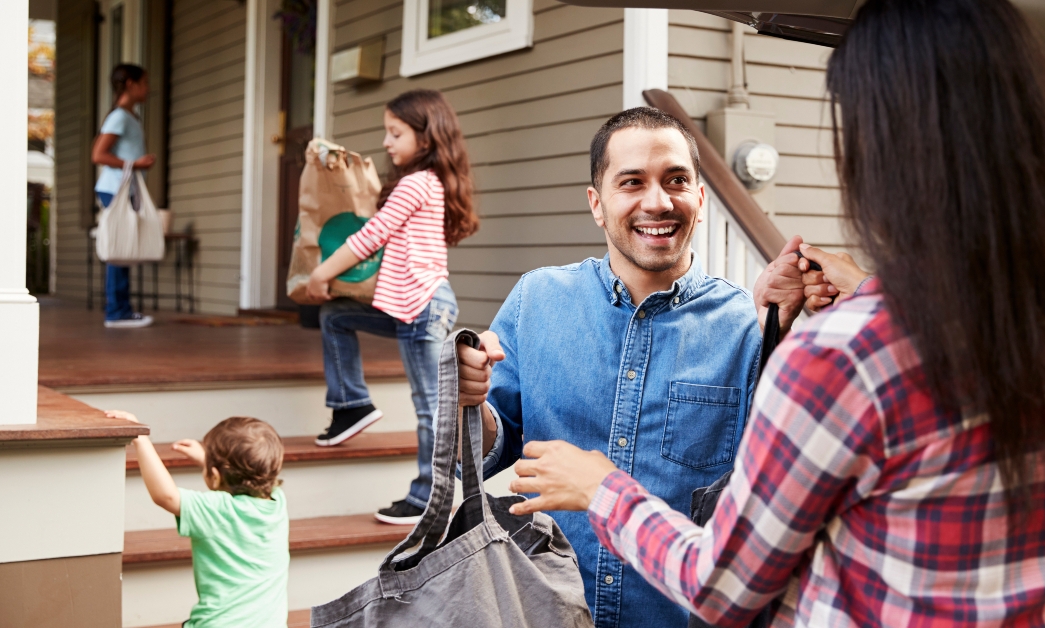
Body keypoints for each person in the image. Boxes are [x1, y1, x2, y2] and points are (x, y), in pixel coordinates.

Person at [505, 0, 1045, 626]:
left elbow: (723, 587)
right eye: (631, 182)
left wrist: (599, 489)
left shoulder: (838, 355)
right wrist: (868, 291)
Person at [453, 107, 834, 628]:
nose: (657, 201)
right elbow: (483, 451)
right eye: (631, 182)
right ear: (597, 203)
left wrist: (798, 335)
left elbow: (776, 494)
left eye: (676, 179)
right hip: (547, 610)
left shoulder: (748, 327)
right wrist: (463, 401)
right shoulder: (536, 298)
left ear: (700, 198)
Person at [305, 89, 478, 526]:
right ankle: (352, 404)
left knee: (429, 406)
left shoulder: (418, 182)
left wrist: (322, 273)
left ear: (425, 138)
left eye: (395, 133)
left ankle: (429, 498)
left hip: (423, 308)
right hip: (409, 305)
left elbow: (370, 237)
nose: (386, 141)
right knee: (334, 316)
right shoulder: (425, 182)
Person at [112, 411, 289, 627]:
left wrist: (141, 439)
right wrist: (208, 461)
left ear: (214, 476)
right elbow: (245, 478)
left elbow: (166, 496)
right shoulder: (277, 502)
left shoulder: (218, 510)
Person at [91, 63, 156, 328]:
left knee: (124, 247)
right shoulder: (118, 117)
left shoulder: (129, 117)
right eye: (145, 83)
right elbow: (99, 155)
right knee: (119, 247)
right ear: (131, 84)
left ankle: (122, 309)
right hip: (114, 189)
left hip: (123, 188)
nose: (148, 89)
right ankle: (116, 312)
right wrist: (136, 165)